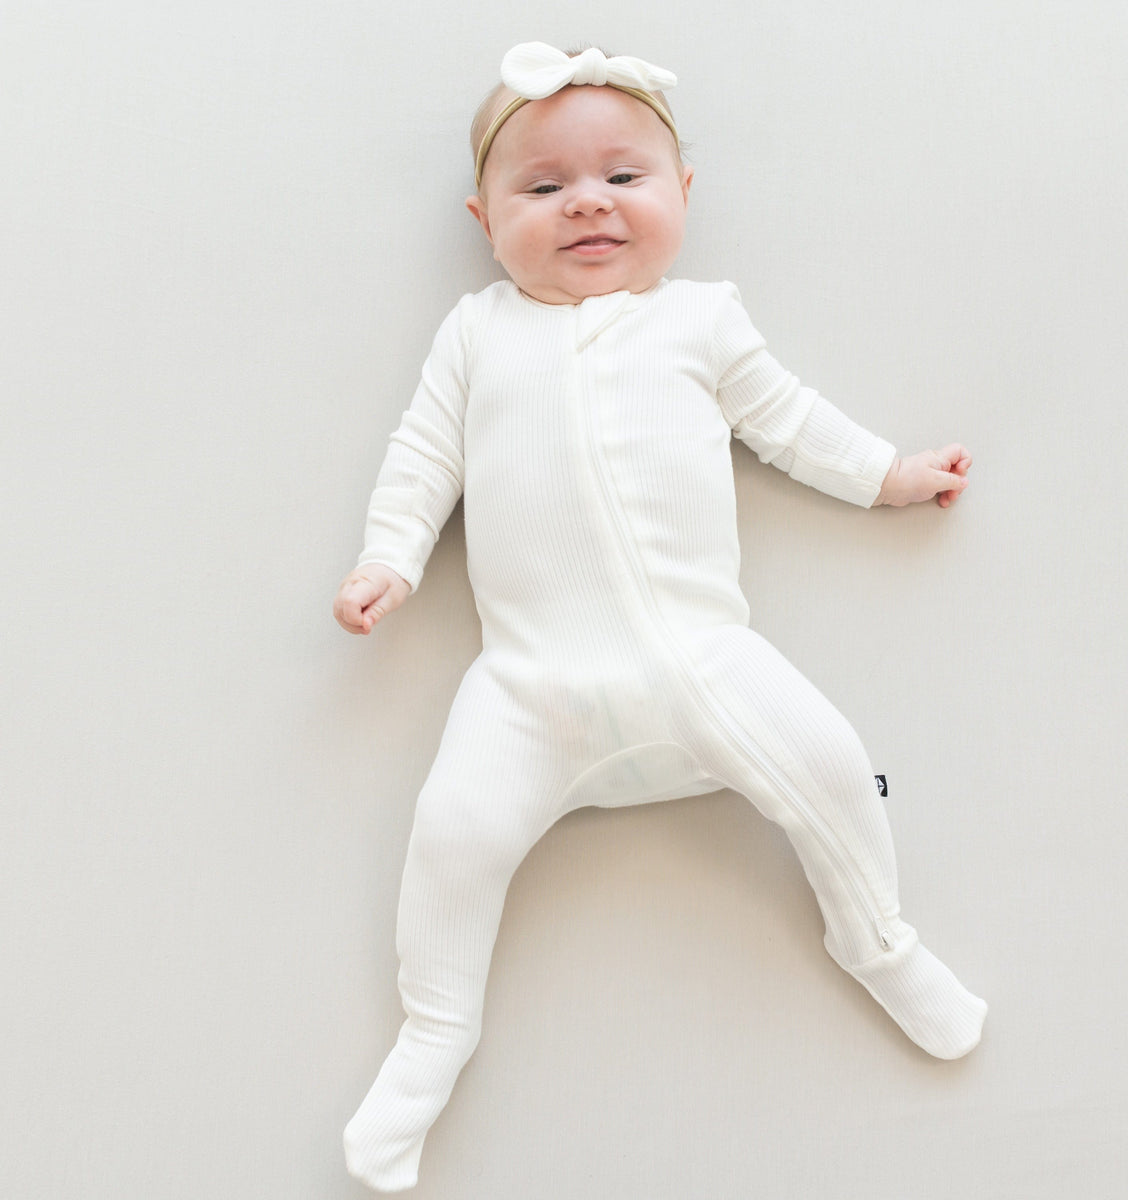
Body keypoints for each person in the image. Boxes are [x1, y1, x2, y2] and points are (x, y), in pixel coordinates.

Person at [334, 42, 986, 1192]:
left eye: (623, 177)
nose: (586, 201)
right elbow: (421, 459)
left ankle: (876, 940)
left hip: (704, 664)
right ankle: (437, 1029)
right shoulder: (478, 334)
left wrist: (887, 472)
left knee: (831, 764)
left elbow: (789, 421)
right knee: (450, 839)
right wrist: (388, 559)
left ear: (684, 192)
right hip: (529, 686)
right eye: (543, 188)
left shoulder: (702, 320)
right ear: (487, 218)